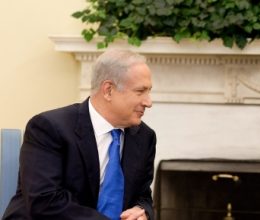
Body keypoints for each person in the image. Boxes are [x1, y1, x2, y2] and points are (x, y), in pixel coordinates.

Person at [3, 49, 156, 220]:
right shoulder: (49, 128)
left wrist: (142, 211)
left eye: (148, 92)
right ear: (108, 90)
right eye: (140, 91)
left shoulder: (144, 137)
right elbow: (45, 202)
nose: (148, 102)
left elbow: (143, 196)